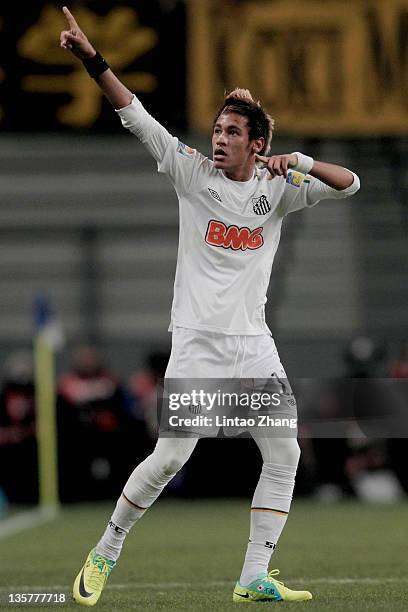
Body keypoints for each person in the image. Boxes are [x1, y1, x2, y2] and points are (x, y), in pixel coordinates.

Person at [60, 6, 360, 606]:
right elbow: (133, 115)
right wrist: (92, 59)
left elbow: (349, 182)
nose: (217, 140)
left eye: (230, 133)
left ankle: (253, 576)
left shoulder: (278, 190)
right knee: (169, 458)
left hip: (252, 345)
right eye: (217, 130)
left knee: (284, 452)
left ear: (257, 144)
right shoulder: (190, 174)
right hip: (197, 342)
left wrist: (297, 162)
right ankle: (106, 549)